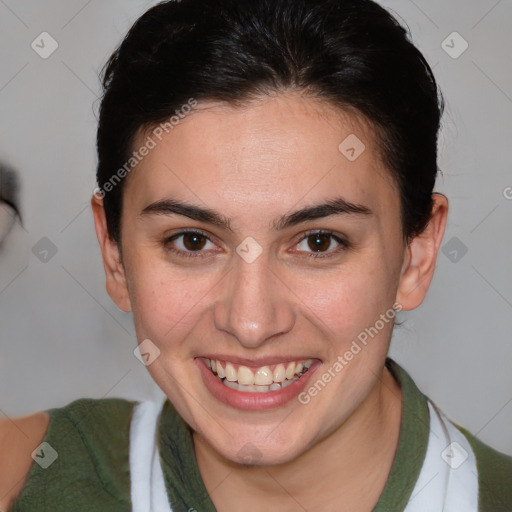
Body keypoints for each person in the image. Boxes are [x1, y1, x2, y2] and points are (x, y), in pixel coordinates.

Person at [1, 0, 511, 510]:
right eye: (193, 241)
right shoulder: (23, 479)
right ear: (113, 253)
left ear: (416, 255)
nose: (251, 323)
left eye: (318, 242)